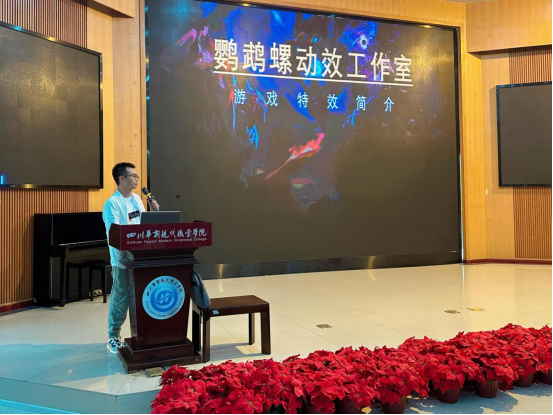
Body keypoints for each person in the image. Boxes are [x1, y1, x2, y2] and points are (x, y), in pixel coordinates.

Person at [102, 162, 147, 354]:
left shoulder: (137, 199)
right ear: (121, 178)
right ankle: (113, 336)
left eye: (137, 176)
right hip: (122, 259)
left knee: (139, 297)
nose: (137, 179)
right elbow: (115, 233)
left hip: (141, 258)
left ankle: (140, 335)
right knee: (121, 298)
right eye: (133, 176)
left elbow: (145, 225)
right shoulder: (112, 203)